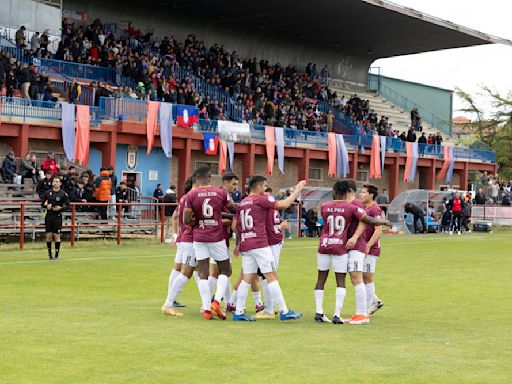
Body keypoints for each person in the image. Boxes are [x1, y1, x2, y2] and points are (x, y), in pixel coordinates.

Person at [314, 180, 390, 325]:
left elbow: (364, 222)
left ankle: (362, 314)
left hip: (356, 246)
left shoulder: (354, 203)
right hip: (346, 246)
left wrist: (355, 238)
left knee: (357, 277)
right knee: (355, 278)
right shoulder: (345, 204)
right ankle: (361, 312)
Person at [231, 177, 306, 322]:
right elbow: (284, 204)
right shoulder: (260, 200)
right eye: (264, 186)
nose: (265, 189)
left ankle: (239, 311)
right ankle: (284, 311)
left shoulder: (241, 203)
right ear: (258, 187)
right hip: (259, 244)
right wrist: (297, 190)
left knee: (247, 278)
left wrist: (240, 242)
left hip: (246, 243)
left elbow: (236, 227)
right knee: (271, 276)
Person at [183, 166, 237, 320]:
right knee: (225, 270)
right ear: (209, 177)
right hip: (216, 237)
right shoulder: (220, 193)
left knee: (203, 272)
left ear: (197, 179)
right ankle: (216, 302)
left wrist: (199, 221)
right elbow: (233, 209)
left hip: (199, 237)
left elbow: (186, 220)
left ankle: (206, 309)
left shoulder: (191, 195)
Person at [161, 178, 201, 317]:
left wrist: (175, 233)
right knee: (189, 270)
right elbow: (178, 217)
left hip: (182, 238)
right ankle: (170, 302)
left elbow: (175, 216)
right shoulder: (192, 199)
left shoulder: (184, 198)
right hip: (188, 238)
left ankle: (172, 299)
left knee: (180, 268)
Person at [208, 173, 239, 310]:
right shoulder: (220, 196)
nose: (236, 187)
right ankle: (208, 303)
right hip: (217, 238)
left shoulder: (226, 196)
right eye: (233, 184)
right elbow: (214, 218)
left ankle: (228, 303)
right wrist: (232, 219)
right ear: (225, 183)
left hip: (222, 238)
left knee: (225, 271)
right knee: (218, 272)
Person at [361, 185, 385, 316]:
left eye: (364, 192)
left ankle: (366, 309)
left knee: (368, 277)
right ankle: (375, 301)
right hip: (364, 247)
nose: (361, 194)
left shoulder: (374, 209)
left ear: (371, 195)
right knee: (361, 276)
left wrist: (369, 245)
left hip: (371, 249)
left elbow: (378, 229)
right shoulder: (366, 208)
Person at [41, 177, 69, 260]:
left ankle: (57, 254)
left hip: (57, 217)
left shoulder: (63, 194)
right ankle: (50, 254)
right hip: (49, 216)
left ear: (60, 183)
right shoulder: (48, 193)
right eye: (54, 181)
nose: (55, 183)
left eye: (57, 181)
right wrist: (47, 206)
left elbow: (68, 206)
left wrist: (60, 208)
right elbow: (42, 204)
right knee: (49, 236)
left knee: (57, 236)